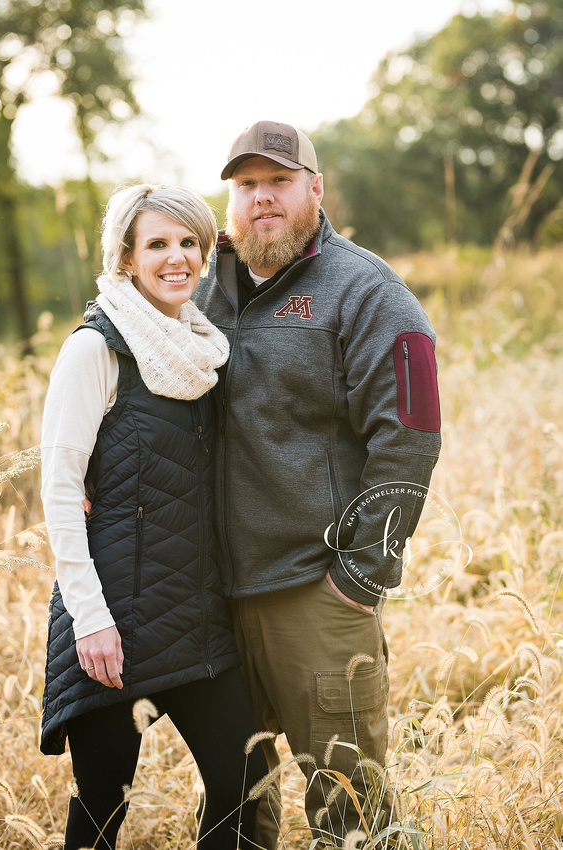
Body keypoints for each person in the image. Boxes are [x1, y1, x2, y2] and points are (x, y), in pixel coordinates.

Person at [192, 120, 442, 848]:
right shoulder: (198, 285)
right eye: (245, 186)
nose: (261, 199)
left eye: (277, 181)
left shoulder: (366, 292)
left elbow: (411, 435)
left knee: (348, 807)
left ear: (315, 188)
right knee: (236, 800)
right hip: (209, 596)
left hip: (313, 591)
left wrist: (361, 573)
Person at [40, 184, 267, 850]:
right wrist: (92, 621)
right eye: (158, 244)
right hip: (115, 624)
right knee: (102, 816)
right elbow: (58, 489)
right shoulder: (95, 349)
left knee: (246, 781)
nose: (176, 258)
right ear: (126, 258)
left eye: (189, 242)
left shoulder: (199, 346)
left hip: (196, 614)